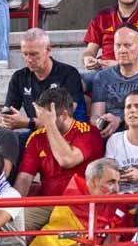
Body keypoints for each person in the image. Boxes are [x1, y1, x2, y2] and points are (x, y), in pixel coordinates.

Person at [14, 87, 104, 231]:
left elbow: (67, 160)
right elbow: (24, 178)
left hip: (80, 206)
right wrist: (10, 210)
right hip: (47, 204)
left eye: (47, 116)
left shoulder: (88, 133)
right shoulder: (36, 138)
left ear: (64, 115)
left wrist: (49, 124)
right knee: (13, 224)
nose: (41, 121)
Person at [2, 28, 88, 140]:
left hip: (68, 136)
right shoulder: (19, 77)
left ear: (48, 50)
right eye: (25, 54)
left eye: (34, 54)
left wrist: (29, 123)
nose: (29, 59)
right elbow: (8, 112)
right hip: (38, 135)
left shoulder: (68, 74)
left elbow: (63, 120)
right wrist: (5, 119)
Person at [29, 158, 127, 246]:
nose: (117, 189)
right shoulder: (72, 202)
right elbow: (63, 239)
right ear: (93, 182)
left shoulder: (116, 207)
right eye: (111, 183)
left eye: (118, 183)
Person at [89, 26, 138, 137]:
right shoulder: (102, 77)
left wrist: (120, 120)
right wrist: (102, 122)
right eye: (118, 45)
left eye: (128, 45)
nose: (122, 50)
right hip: (109, 134)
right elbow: (95, 116)